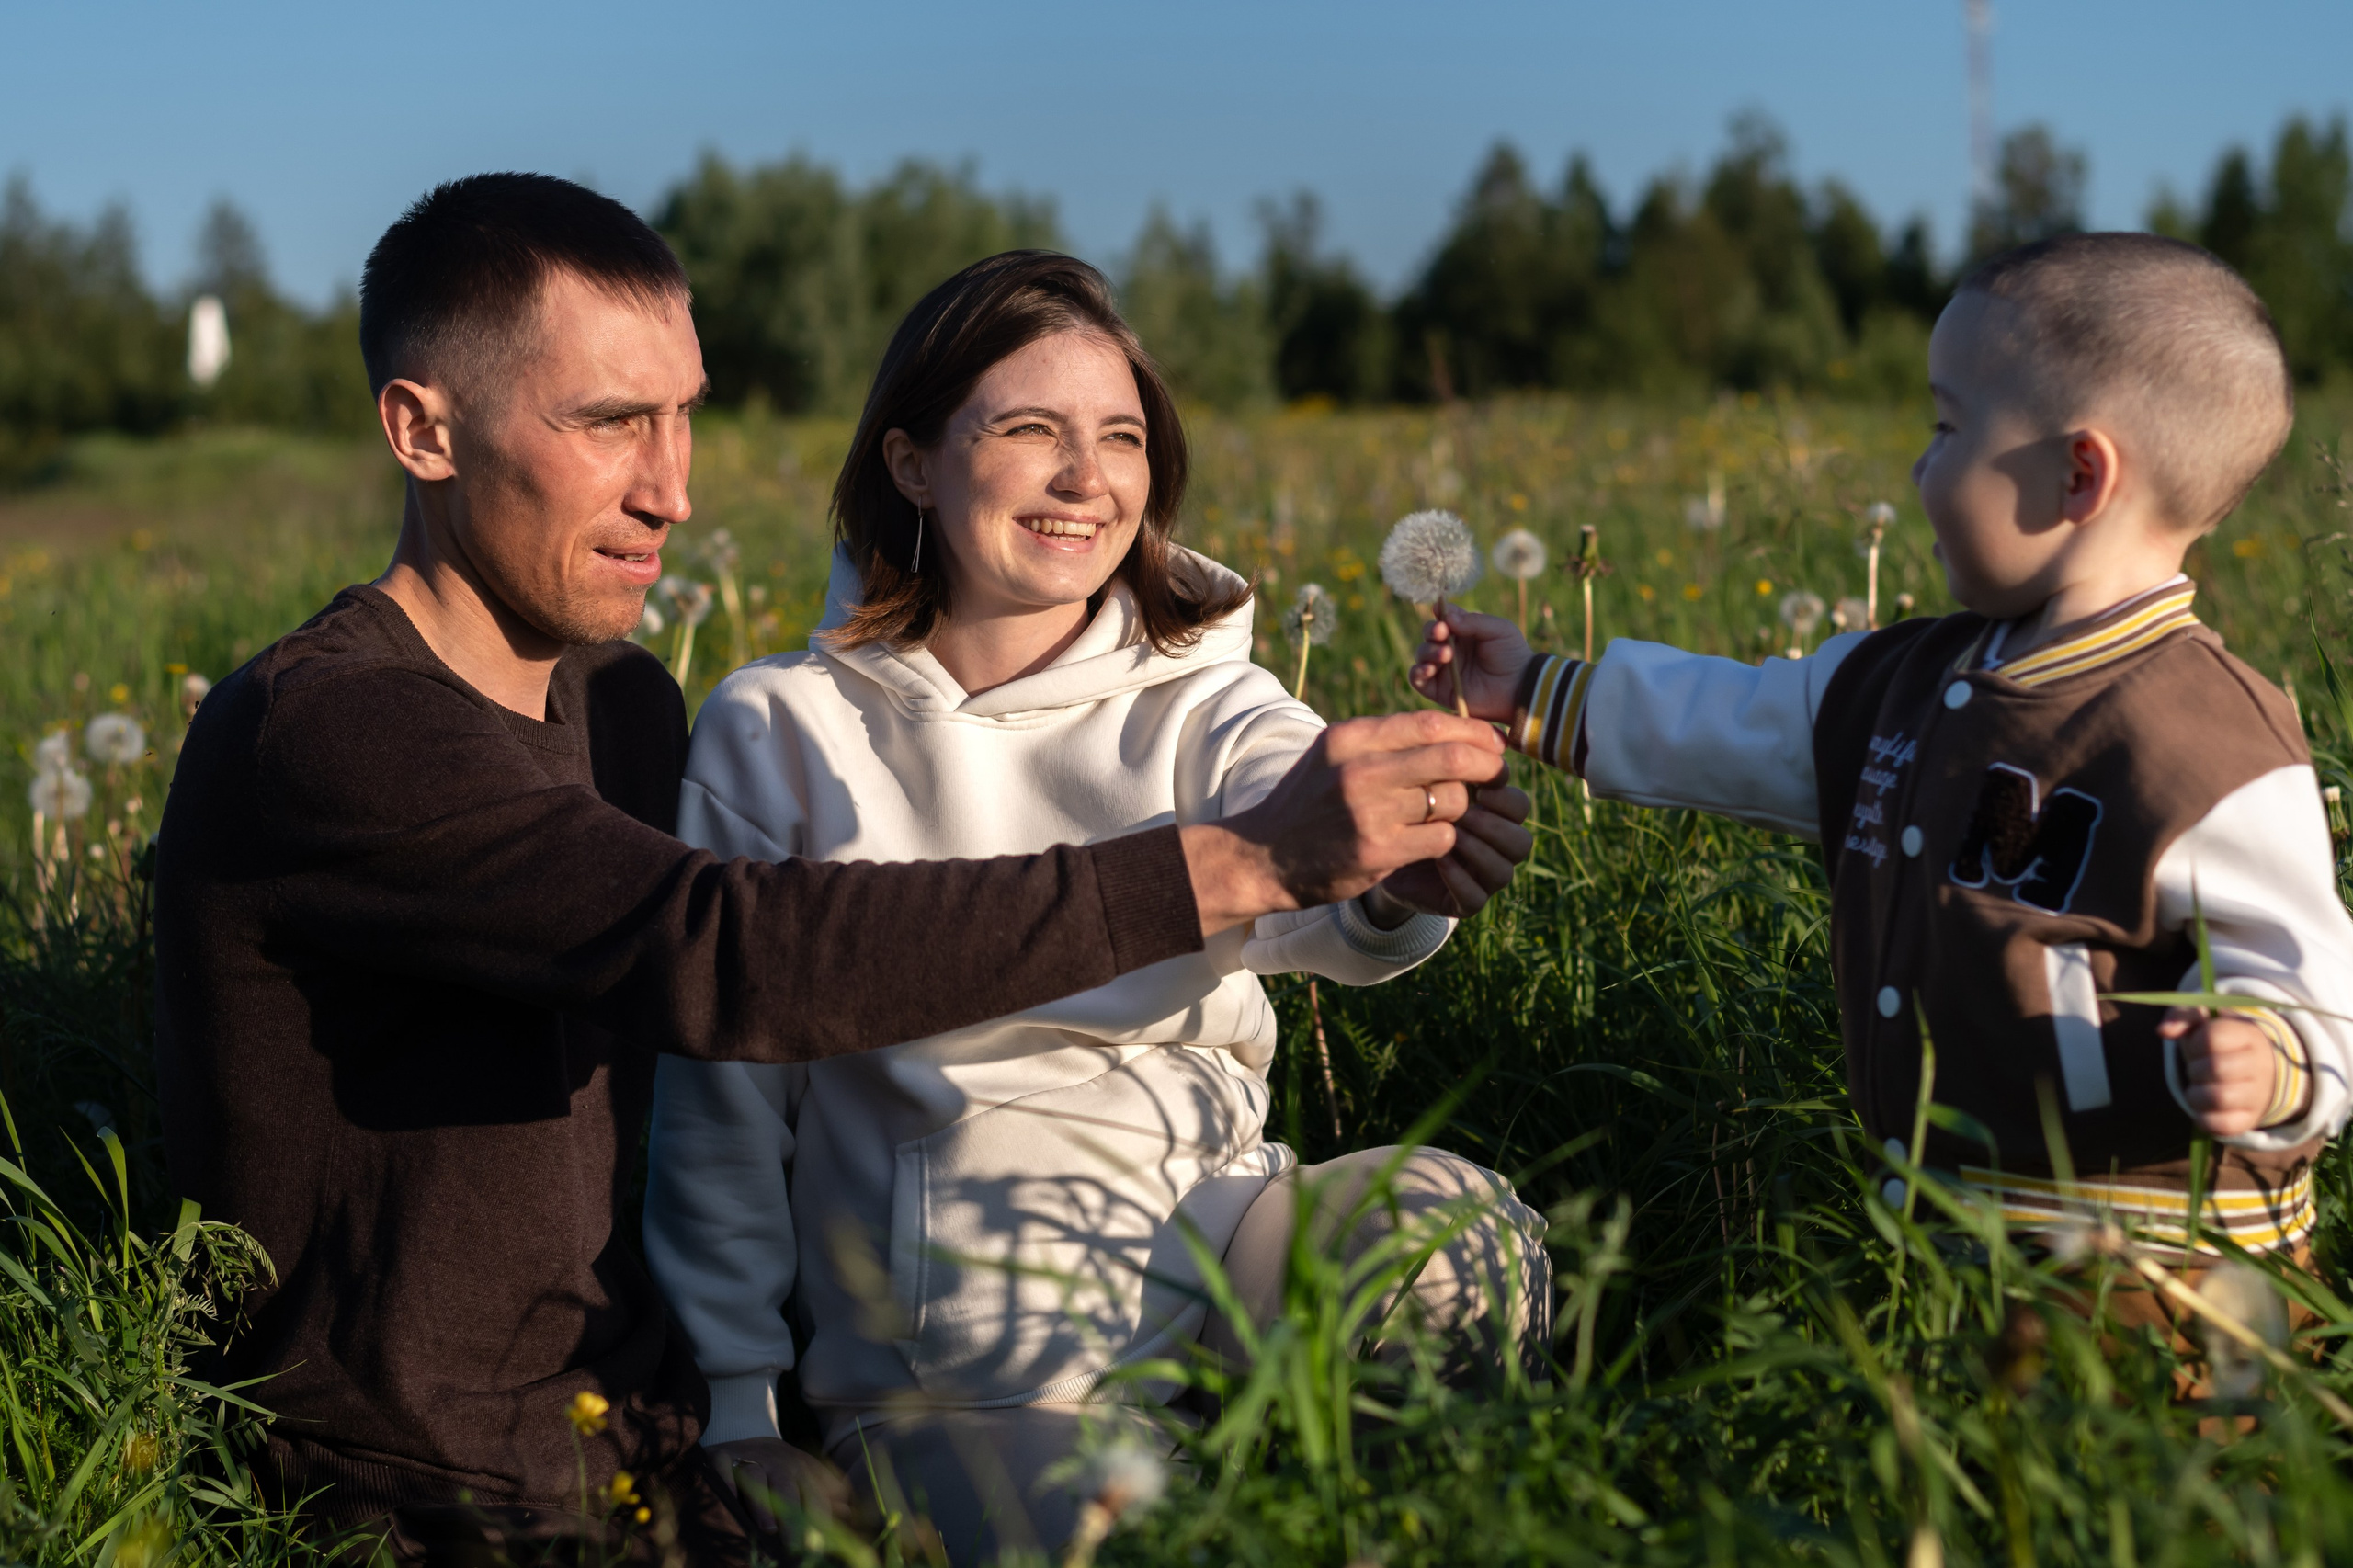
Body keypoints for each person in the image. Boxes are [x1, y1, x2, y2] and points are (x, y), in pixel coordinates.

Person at [153, 174, 1517, 1564]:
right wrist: (1232, 866)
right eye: (611, 421)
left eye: (684, 414)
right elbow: (730, 964)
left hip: (640, 1438)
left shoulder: (619, 704)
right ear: (421, 430)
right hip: (436, 1492)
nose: (672, 487)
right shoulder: (329, 728)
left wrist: (1388, 873)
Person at [643, 251, 1551, 1565]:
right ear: (910, 462)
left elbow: (1315, 879)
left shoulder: (1208, 696)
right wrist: (734, 1409)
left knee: (1455, 1246)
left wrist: (1398, 880)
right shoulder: (777, 729)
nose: (1089, 479)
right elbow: (717, 1095)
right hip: (957, 1341)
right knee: (1123, 1540)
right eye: (1031, 432)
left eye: (1121, 437)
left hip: (1219, 1228)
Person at [1415, 233, 2353, 1293]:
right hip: (1949, 1237)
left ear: (2078, 474)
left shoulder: (2207, 735)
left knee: (2159, 1466)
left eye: (1949, 426)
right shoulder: (1900, 678)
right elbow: (1732, 720)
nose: (1918, 464)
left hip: (2168, 1263)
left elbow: (2314, 977)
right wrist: (1535, 688)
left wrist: (2273, 1059)